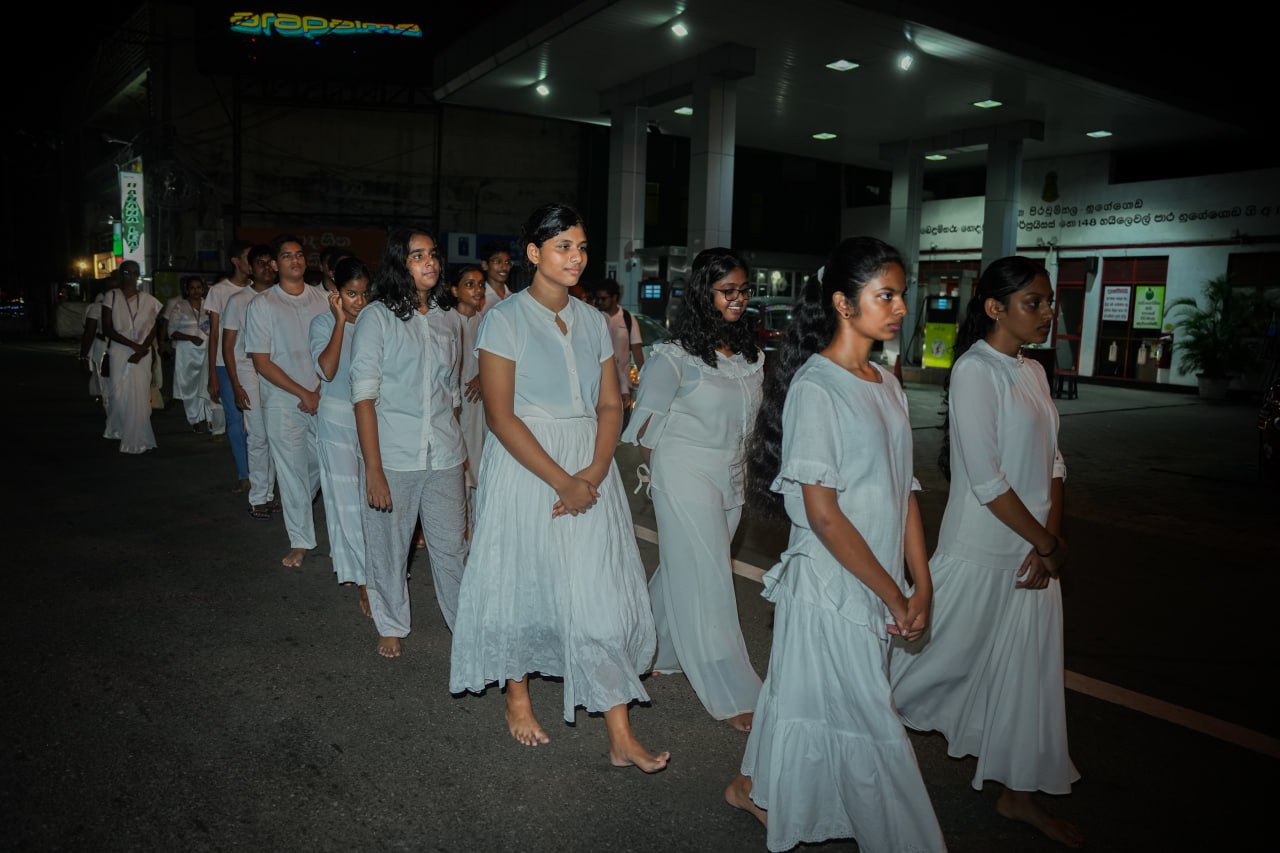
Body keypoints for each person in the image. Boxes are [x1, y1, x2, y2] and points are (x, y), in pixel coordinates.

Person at [724, 237, 944, 853]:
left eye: (902, 294)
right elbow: (822, 515)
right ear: (845, 304)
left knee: (806, 696)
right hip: (832, 583)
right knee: (870, 722)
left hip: (877, 582)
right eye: (887, 295)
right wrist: (893, 593)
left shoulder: (887, 383)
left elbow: (904, 493)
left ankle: (750, 786)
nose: (901, 307)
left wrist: (920, 581)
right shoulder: (818, 387)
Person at [449, 203, 667, 773]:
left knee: (598, 590)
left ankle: (620, 731)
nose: (576, 258)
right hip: (528, 465)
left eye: (582, 247)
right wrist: (562, 480)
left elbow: (609, 403)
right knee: (521, 576)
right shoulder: (505, 319)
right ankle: (516, 695)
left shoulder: (595, 321)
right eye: (563, 246)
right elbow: (500, 416)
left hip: (588, 466)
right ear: (533, 253)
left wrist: (592, 473)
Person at [890, 256, 1082, 848]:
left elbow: (1053, 462)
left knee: (1029, 678)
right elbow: (987, 481)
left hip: (1029, 554)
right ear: (996, 307)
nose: (1047, 313)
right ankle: (840, 723)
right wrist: (1046, 541)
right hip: (983, 548)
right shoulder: (975, 370)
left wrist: (1049, 540)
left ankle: (1017, 794)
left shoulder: (1032, 372)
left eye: (1049, 302)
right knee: (923, 666)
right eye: (1034, 302)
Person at [620, 248, 763, 731]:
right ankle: (731, 689)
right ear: (705, 295)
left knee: (685, 568)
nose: (738, 299)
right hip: (684, 475)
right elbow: (643, 433)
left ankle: (647, 648)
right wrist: (667, 485)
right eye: (728, 291)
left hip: (732, 476)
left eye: (743, 290)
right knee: (710, 579)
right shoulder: (673, 358)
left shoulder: (751, 357)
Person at [350, 228, 468, 658]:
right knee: (389, 547)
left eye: (433, 255)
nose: (430, 263)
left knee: (452, 548)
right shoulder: (376, 317)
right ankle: (391, 621)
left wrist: (459, 455)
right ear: (401, 264)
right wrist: (374, 470)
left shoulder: (449, 319)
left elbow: (450, 396)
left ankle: (465, 625)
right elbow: (363, 398)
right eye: (418, 256)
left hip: (444, 453)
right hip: (394, 457)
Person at [244, 235, 329, 568]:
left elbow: (336, 348)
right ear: (274, 265)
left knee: (324, 464)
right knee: (291, 471)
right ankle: (300, 541)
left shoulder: (323, 299)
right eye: (286, 256)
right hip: (282, 399)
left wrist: (319, 390)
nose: (295, 260)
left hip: (324, 395)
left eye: (299, 254)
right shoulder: (262, 305)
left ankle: (298, 505)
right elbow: (262, 361)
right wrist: (303, 393)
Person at [310, 257, 372, 616]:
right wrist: (338, 323)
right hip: (336, 420)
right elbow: (327, 370)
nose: (359, 302)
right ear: (336, 293)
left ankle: (355, 567)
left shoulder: (375, 323)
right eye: (351, 294)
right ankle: (364, 580)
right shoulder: (322, 322)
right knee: (345, 500)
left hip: (371, 421)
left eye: (364, 294)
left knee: (366, 500)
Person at [221, 245, 278, 520]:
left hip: (278, 373)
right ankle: (258, 498)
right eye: (261, 263)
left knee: (277, 436)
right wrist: (235, 384)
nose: (267, 267)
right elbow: (228, 345)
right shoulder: (238, 300)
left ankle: (268, 495)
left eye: (271, 262)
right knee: (258, 436)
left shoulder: (282, 297)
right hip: (248, 372)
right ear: (251, 269)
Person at [438, 264, 487, 531]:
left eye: (480, 284)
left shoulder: (487, 323)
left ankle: (477, 540)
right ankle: (458, 537)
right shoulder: (444, 321)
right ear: (454, 290)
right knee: (455, 475)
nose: (478, 290)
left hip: (479, 410)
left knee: (478, 472)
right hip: (451, 409)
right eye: (470, 284)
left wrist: (483, 377)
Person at [206, 240, 256, 492]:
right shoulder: (219, 291)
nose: (254, 262)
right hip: (226, 365)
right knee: (236, 420)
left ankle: (261, 471)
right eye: (249, 257)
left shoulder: (262, 289)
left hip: (257, 364)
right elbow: (214, 334)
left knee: (258, 422)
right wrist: (212, 373)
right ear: (236, 260)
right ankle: (244, 473)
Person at [100, 261, 162, 454]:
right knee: (119, 394)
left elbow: (154, 327)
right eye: (127, 272)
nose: (131, 276)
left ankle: (138, 436)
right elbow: (108, 328)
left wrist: (142, 348)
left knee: (141, 394)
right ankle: (120, 429)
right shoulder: (111, 296)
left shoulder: (148, 299)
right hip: (120, 350)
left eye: (135, 272)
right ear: (121, 274)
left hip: (142, 352)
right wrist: (133, 346)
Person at [164, 276, 225, 435]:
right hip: (187, 353)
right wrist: (191, 337)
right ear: (187, 290)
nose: (196, 290)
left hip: (207, 351)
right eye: (192, 288)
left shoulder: (209, 305)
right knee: (190, 388)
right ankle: (195, 420)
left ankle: (211, 420)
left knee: (207, 385)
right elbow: (172, 332)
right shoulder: (180, 306)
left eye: (199, 287)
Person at [590, 278, 645, 414]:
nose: (599, 302)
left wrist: (644, 377)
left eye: (603, 298)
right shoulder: (594, 317)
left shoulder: (627, 318)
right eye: (597, 299)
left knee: (622, 421)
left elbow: (637, 350)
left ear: (614, 297)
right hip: (599, 383)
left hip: (623, 384)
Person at [79, 271, 120, 417]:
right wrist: (83, 355)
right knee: (106, 382)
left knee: (112, 383)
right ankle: (112, 414)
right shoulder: (96, 308)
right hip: (104, 349)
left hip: (120, 349)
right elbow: (89, 333)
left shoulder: (128, 307)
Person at [477, 240, 512, 315]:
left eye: (507, 262)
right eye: (498, 261)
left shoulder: (513, 298)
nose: (504, 267)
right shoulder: (478, 297)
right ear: (485, 265)